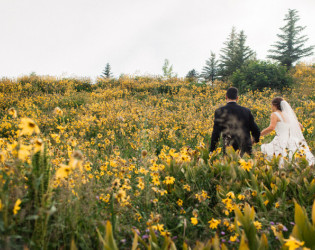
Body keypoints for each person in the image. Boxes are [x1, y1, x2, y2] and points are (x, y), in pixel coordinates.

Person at [261, 97, 315, 165]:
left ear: (275, 105)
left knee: (267, 150)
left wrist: (260, 134)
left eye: (271, 105)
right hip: (292, 139)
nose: (271, 107)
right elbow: (301, 127)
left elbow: (271, 127)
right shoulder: (288, 115)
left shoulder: (274, 114)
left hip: (280, 139)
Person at [210, 87, 260, 155]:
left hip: (229, 147)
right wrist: (255, 140)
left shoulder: (220, 111)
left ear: (226, 97)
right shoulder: (246, 111)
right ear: (237, 98)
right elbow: (255, 129)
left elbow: (216, 132)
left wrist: (212, 150)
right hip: (245, 146)